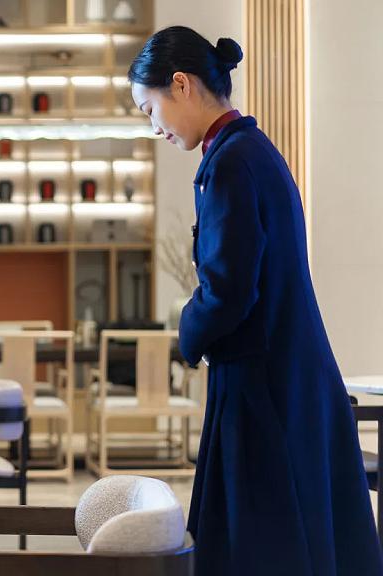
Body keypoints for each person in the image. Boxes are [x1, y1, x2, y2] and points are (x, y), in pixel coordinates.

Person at [129, 26, 383, 576]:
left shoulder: (229, 164)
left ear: (181, 84)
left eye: (150, 108)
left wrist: (186, 335)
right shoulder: (252, 149)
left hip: (260, 384)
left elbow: (228, 291)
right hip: (286, 373)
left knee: (258, 548)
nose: (154, 126)